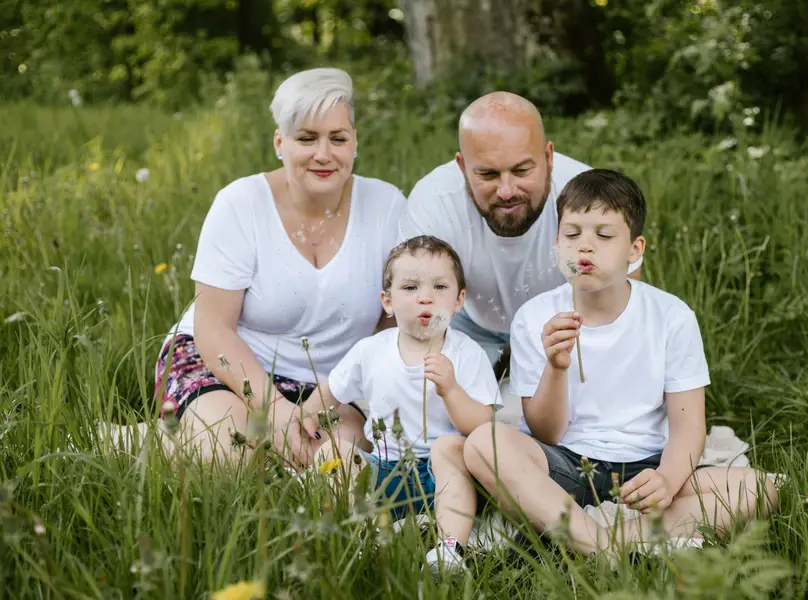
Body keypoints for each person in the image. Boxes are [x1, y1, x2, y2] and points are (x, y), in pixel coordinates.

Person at [462, 169, 778, 558]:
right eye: (572, 234)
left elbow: (688, 426)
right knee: (482, 443)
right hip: (565, 467)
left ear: (635, 250)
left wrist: (666, 478)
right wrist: (556, 368)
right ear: (557, 243)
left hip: (645, 467)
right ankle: (599, 541)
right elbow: (545, 433)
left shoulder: (670, 316)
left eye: (605, 235)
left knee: (760, 488)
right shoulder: (535, 317)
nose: (585, 248)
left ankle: (595, 538)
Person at [153, 68, 406, 463]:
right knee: (233, 458)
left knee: (337, 464)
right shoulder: (240, 204)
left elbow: (395, 324)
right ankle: (152, 438)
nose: (324, 154)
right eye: (307, 138)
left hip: (330, 387)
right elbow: (213, 328)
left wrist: (347, 396)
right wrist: (273, 407)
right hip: (225, 365)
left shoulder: (387, 206)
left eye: (338, 138)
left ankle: (181, 436)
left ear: (354, 141)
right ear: (279, 142)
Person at [399, 91, 643, 375]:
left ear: (549, 157)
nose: (507, 191)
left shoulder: (591, 198)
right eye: (488, 174)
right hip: (468, 323)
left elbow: (620, 305)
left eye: (522, 170)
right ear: (462, 166)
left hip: (565, 325)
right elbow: (416, 307)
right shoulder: (434, 200)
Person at [304, 235, 501, 573]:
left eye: (440, 287)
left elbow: (482, 425)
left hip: (444, 474)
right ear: (388, 302)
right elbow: (331, 392)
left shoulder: (467, 354)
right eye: (410, 288)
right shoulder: (370, 351)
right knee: (335, 455)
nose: (425, 297)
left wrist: (451, 390)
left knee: (450, 447)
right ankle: (359, 533)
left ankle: (451, 547)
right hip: (385, 469)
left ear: (458, 301)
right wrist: (308, 415)